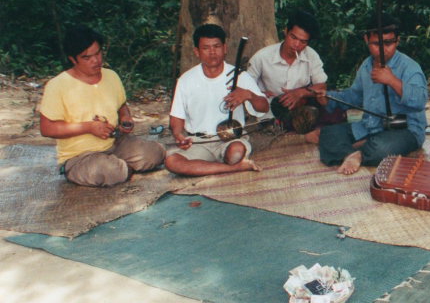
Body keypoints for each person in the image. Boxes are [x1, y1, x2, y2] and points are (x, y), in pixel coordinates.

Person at [39, 26, 166, 187]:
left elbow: (121, 105)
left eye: (98, 53)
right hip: (80, 157)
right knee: (108, 170)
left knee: (154, 153)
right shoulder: (57, 85)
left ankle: (122, 168)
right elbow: (47, 128)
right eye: (87, 57)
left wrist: (125, 118)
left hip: (115, 144)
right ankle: (119, 168)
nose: (96, 60)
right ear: (73, 59)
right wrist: (89, 127)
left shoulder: (111, 76)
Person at [315, 15, 427, 175]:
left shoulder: (409, 67)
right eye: (376, 44)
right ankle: (354, 153)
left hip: (404, 130)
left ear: (398, 40)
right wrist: (328, 98)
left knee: (382, 147)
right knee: (329, 134)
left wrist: (392, 81)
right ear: (366, 39)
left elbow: (420, 101)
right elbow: (353, 97)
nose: (383, 49)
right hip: (370, 125)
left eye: (389, 43)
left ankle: (361, 151)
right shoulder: (366, 66)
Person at [165, 23, 269, 176]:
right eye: (206, 48)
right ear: (196, 52)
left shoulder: (239, 76)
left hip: (232, 139)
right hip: (199, 142)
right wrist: (179, 135)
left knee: (236, 153)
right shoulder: (186, 80)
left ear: (225, 48)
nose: (212, 52)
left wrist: (249, 95)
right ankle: (235, 168)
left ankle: (208, 167)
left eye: (217, 46)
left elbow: (264, 107)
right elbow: (177, 117)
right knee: (172, 162)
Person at [246, 10, 344, 135]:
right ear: (286, 31)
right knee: (275, 126)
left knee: (332, 112)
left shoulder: (311, 55)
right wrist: (257, 93)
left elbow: (322, 86)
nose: (296, 45)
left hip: (302, 106)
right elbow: (245, 86)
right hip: (272, 108)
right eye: (293, 37)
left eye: (303, 42)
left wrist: (300, 93)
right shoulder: (262, 57)